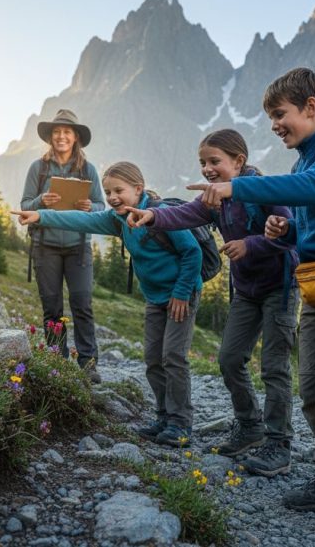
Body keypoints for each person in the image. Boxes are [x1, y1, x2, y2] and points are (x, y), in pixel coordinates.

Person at [190, 68, 315, 539]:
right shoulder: (303, 162)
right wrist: (289, 231)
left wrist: (237, 187)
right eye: (271, 117)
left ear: (311, 108)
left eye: (280, 115)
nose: (275, 125)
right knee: (310, 390)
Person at [124, 129, 300, 476]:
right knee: (229, 359)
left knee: (274, 367)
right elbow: (187, 215)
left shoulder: (265, 191)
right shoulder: (215, 198)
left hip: (279, 289)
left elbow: (292, 232)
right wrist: (153, 217)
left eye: (214, 161)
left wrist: (251, 245)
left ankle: (279, 443)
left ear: (239, 161)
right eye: (203, 162)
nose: (207, 169)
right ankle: (250, 426)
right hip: (246, 291)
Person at [14, 161, 203, 446]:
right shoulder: (117, 219)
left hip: (181, 295)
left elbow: (192, 252)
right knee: (153, 359)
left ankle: (180, 423)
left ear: (138, 189)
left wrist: (181, 292)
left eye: (120, 190)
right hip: (155, 298)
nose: (113, 197)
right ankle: (164, 416)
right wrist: (39, 216)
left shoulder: (162, 215)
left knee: (173, 357)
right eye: (108, 191)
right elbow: (81, 220)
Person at [21, 109, 106, 383]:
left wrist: (88, 206)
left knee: (82, 303)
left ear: (76, 137)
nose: (61, 136)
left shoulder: (87, 169)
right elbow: (24, 206)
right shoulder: (39, 168)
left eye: (67, 132)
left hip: (78, 246)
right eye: (56, 132)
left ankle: (88, 363)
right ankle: (57, 362)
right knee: (52, 307)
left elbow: (101, 206)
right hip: (44, 246)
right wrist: (40, 202)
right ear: (50, 137)